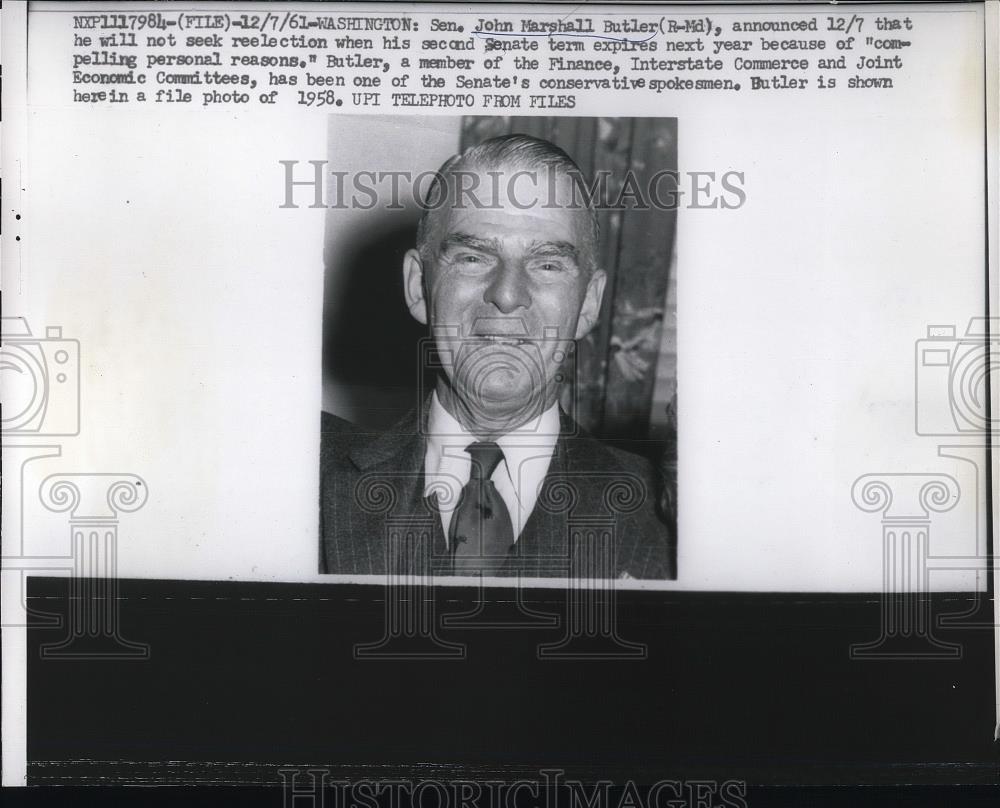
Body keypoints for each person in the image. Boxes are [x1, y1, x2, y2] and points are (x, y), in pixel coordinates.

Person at [320, 134, 675, 579]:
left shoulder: (670, 518)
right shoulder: (302, 472)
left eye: (547, 264)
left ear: (588, 304)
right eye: (472, 257)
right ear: (418, 287)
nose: (507, 295)